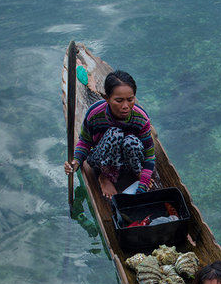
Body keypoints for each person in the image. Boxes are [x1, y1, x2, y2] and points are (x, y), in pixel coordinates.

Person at [63, 70, 156, 199]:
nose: (125, 106)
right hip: (103, 160)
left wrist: (143, 184)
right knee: (115, 133)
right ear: (107, 99)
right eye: (119, 100)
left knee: (131, 141)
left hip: (129, 161)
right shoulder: (94, 114)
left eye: (130, 99)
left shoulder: (141, 119)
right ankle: (105, 177)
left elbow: (149, 154)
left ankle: (137, 172)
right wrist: (76, 162)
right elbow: (85, 142)